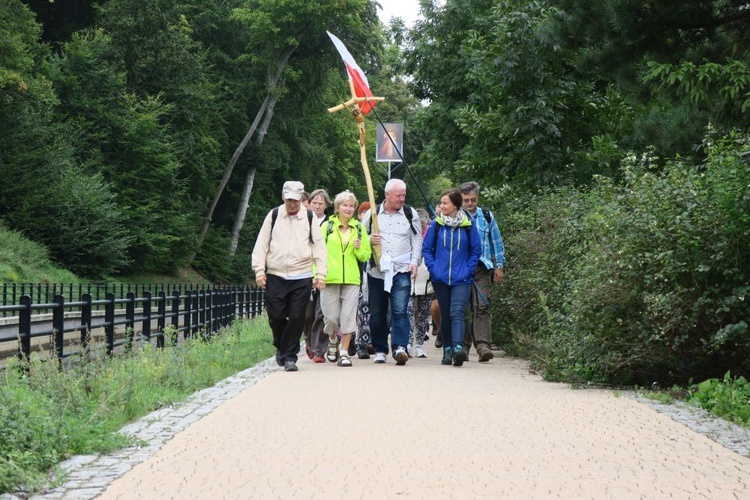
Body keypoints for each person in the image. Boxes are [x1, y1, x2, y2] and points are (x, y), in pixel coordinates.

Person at [252, 181, 327, 372]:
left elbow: (319, 247)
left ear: (302, 198)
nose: (292, 204)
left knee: (296, 317)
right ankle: (280, 343)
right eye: (289, 200)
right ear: (283, 198)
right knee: (276, 316)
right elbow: (262, 244)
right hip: (276, 274)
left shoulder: (309, 217)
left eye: (296, 200)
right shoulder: (274, 215)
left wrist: (321, 273)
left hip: (301, 274)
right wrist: (259, 270)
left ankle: (289, 357)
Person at [361, 178, 422, 365]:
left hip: (401, 270)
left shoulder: (410, 214)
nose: (402, 199)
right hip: (377, 271)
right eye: (398, 196)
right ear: (387, 195)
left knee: (399, 310)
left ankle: (399, 347)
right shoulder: (372, 214)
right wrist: (371, 239)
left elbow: (417, 239)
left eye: (404, 195)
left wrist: (414, 262)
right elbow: (361, 237)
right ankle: (380, 349)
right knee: (378, 312)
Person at [423, 189, 481, 366]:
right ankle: (447, 349)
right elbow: (426, 249)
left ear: (455, 205)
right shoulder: (436, 224)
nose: (441, 206)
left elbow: (476, 250)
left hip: (461, 278)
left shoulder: (468, 225)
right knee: (446, 314)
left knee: (458, 312)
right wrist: (434, 269)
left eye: (444, 203)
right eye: (441, 203)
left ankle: (458, 348)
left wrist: (468, 269)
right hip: (440, 278)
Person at [320, 191, 371, 366]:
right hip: (329, 277)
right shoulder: (327, 227)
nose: (348, 209)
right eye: (345, 205)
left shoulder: (359, 228)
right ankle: (332, 340)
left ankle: (344, 352)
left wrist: (358, 249)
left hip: (351, 278)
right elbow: (317, 253)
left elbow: (365, 255)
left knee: (348, 316)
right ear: (337, 207)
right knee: (331, 317)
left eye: (351, 206)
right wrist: (317, 275)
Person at [459, 181, 506, 362]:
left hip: (482, 268)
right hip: (461, 269)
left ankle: (483, 345)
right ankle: (462, 346)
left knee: (482, 305)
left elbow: (496, 241)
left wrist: (499, 265)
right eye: (466, 201)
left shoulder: (486, 216)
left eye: (473, 200)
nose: (470, 204)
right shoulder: (456, 217)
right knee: (462, 308)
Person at [303, 189, 332, 363]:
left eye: (321, 203)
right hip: (305, 272)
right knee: (306, 314)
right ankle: (308, 341)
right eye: (314, 202)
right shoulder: (302, 221)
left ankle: (319, 349)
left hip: (325, 273)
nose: (317, 206)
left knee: (322, 312)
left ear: (326, 205)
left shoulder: (331, 224)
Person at [409, 208, 434, 358]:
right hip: (411, 279)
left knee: (423, 314)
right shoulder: (408, 234)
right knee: (409, 312)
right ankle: (407, 342)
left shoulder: (432, 236)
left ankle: (419, 344)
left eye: (423, 225)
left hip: (427, 280)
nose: (421, 227)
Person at [354, 201, 374, 359]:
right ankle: (358, 342)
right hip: (358, 275)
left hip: (372, 273)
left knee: (370, 310)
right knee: (359, 310)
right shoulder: (357, 229)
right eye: (364, 212)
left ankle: (369, 342)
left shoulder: (378, 228)